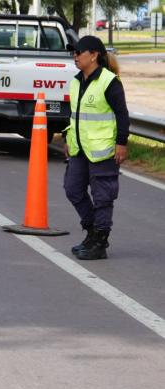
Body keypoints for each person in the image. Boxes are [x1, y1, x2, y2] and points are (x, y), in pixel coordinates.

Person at [63, 35, 129, 261]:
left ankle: (100, 242)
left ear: (94, 55)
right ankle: (92, 232)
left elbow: (122, 114)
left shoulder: (109, 82)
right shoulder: (75, 81)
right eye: (73, 52)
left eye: (78, 52)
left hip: (103, 150)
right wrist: (68, 138)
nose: (75, 56)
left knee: (102, 197)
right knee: (72, 189)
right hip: (80, 149)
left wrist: (121, 143)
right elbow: (75, 116)